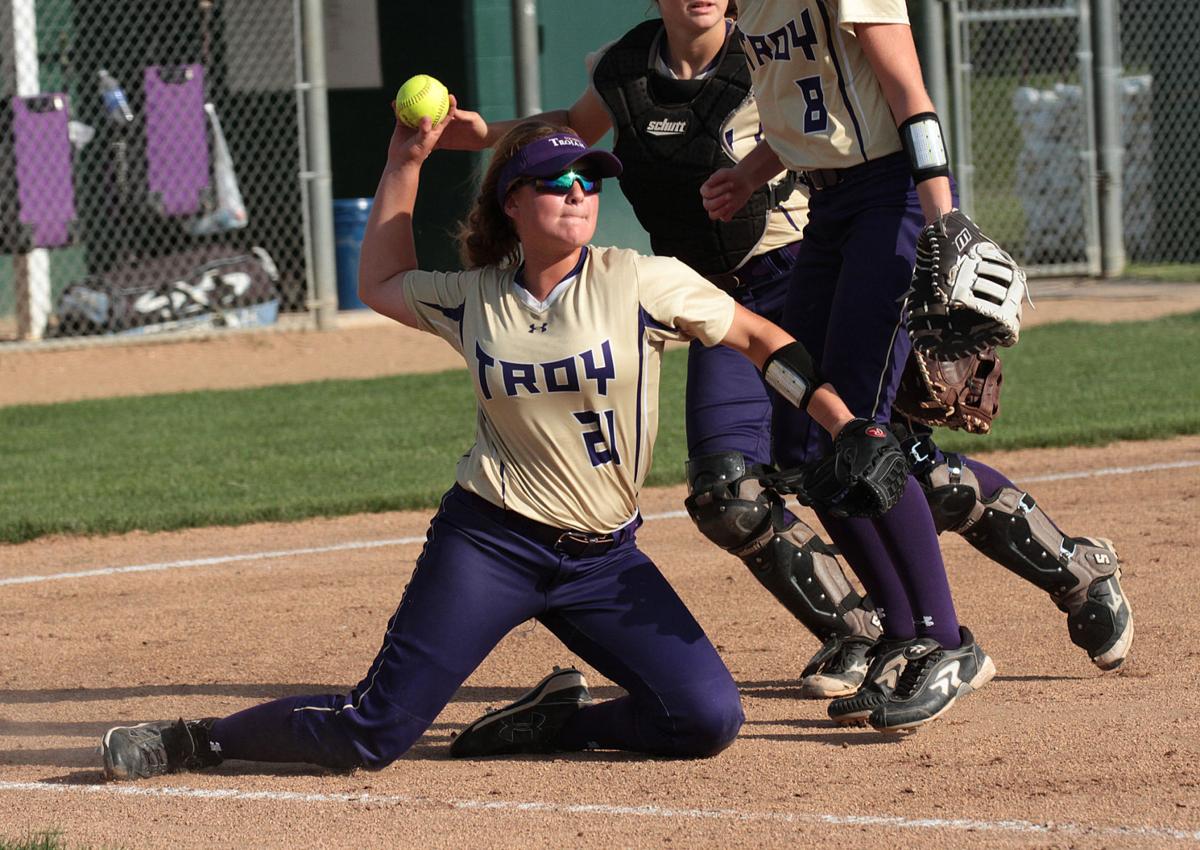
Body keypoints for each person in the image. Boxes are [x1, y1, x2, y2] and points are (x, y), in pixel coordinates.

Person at [98, 113, 892, 780]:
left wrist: (844, 424)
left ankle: (557, 723)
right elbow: (379, 282)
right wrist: (405, 161)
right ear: (512, 201)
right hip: (489, 544)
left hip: (603, 562)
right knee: (371, 734)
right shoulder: (473, 298)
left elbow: (760, 339)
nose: (579, 192)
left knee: (706, 719)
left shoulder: (640, 280)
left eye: (590, 181)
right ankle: (194, 739)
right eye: (557, 180)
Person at [439, 0, 1132, 710]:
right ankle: (881, 632)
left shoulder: (783, 24)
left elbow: (904, 98)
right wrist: (484, 136)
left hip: (831, 238)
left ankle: (988, 611)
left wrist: (942, 221)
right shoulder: (662, 53)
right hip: (757, 267)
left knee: (871, 446)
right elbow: (792, 122)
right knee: (780, 467)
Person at [438, 0, 882, 701]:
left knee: (867, 460)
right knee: (726, 494)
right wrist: (482, 136)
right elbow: (571, 128)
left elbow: (829, 126)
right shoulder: (627, 65)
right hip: (717, 296)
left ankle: (1054, 577)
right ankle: (859, 631)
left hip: (805, 277)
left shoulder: (768, 46)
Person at [696, 0, 1013, 732]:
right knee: (804, 436)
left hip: (891, 197)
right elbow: (806, 118)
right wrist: (749, 174)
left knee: (862, 431)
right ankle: (901, 635)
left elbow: (907, 93)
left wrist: (943, 223)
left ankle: (945, 642)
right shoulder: (753, 8)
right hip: (828, 207)